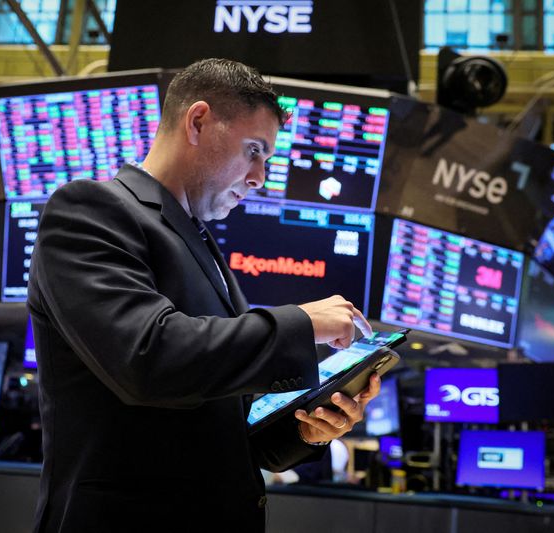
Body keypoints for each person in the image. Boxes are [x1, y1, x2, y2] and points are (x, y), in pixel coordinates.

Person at [28, 58, 381, 532]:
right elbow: (147, 358)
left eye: (267, 160)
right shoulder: (91, 210)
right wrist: (302, 321)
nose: (260, 177)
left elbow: (239, 434)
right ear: (197, 121)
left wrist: (308, 427)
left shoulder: (203, 244)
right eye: (253, 150)